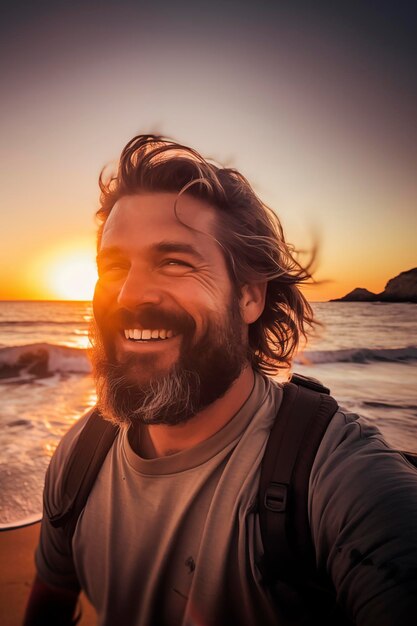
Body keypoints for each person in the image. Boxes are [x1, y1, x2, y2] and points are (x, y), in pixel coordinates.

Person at [24, 134, 417, 626]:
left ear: (249, 297)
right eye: (115, 267)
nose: (129, 296)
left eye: (173, 261)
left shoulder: (340, 479)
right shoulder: (80, 455)